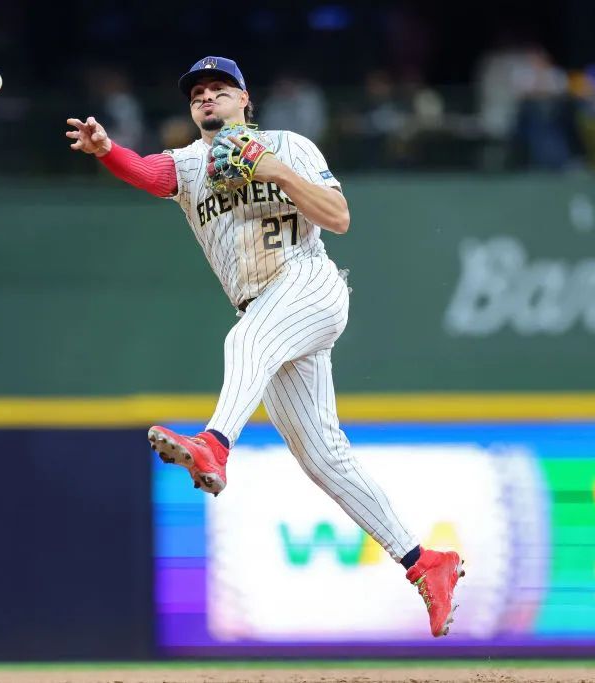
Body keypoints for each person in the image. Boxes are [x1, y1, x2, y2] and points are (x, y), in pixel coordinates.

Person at [66, 56, 464, 637]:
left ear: (245, 100)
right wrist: (107, 150)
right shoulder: (190, 164)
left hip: (309, 283)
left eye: (219, 89)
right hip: (264, 311)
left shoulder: (288, 145)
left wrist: (272, 168)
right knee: (321, 455)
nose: (207, 98)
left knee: (245, 339)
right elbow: (148, 173)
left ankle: (214, 444)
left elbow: (339, 217)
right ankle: (424, 562)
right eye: (197, 94)